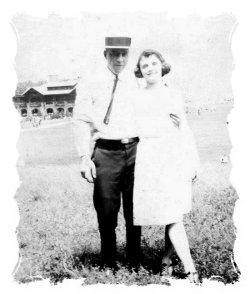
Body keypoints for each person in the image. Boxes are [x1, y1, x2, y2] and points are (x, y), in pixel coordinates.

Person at [73, 37, 141, 270]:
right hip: (105, 151)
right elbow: (81, 120)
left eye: (124, 54)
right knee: (106, 209)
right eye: (114, 54)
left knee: (135, 209)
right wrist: (84, 157)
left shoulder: (137, 79)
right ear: (105, 54)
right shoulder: (90, 80)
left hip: (135, 150)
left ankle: (134, 261)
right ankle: (109, 262)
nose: (120, 59)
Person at [133, 49, 200, 284]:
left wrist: (193, 162)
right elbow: (135, 128)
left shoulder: (174, 95)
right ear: (140, 71)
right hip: (152, 160)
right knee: (172, 215)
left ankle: (167, 260)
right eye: (144, 66)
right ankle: (191, 271)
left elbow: (184, 130)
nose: (150, 68)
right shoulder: (136, 96)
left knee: (175, 213)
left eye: (153, 63)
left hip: (175, 157)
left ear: (162, 65)